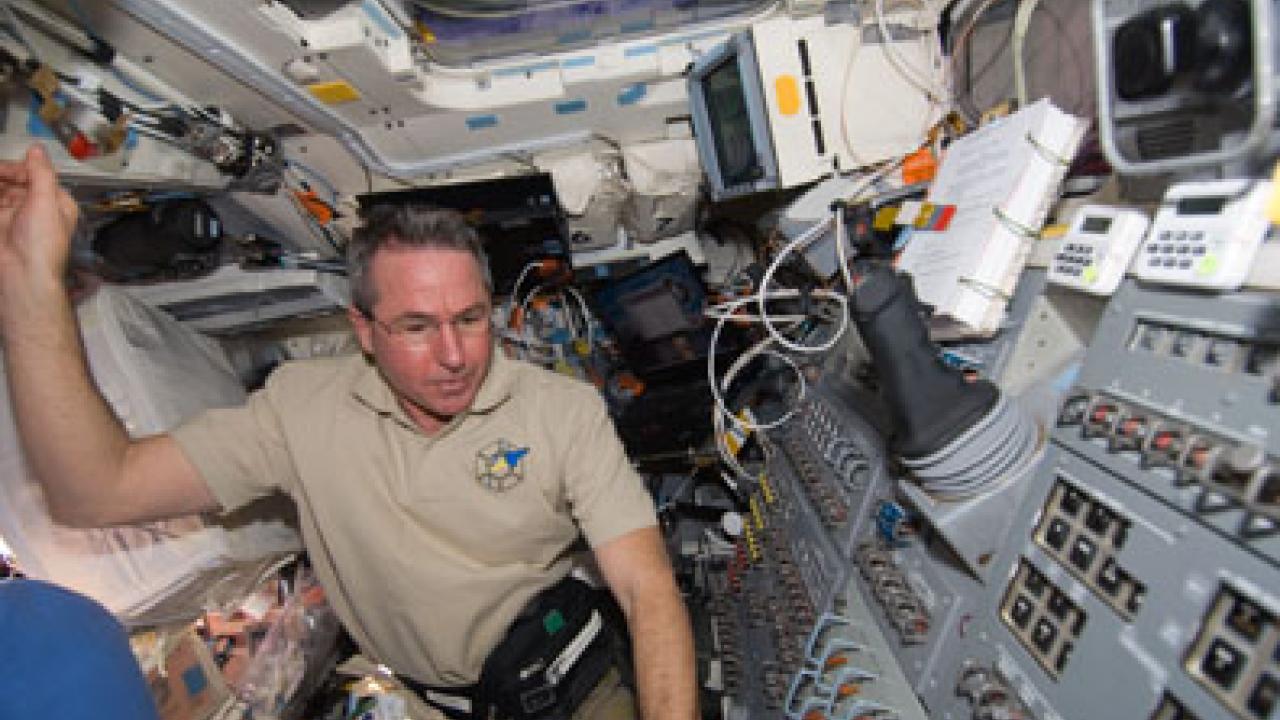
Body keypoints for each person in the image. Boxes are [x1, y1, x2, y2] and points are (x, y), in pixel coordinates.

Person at [0, 144, 697, 719]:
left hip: (560, 684)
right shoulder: (299, 408)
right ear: (363, 330)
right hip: (420, 700)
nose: (456, 356)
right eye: (417, 327)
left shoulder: (563, 412)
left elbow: (648, 589)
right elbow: (98, 491)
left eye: (472, 318)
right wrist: (31, 286)